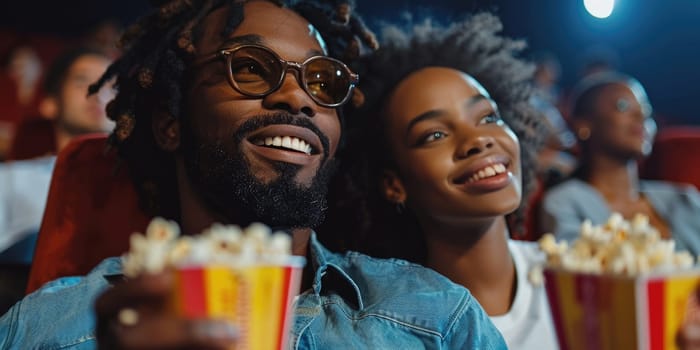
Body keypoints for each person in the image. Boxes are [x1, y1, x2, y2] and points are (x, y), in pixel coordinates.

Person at [0, 1, 506, 349]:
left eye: (323, 80)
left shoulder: (436, 318)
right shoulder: (48, 328)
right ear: (171, 124)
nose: (297, 97)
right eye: (250, 69)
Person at [320, 14, 557, 349]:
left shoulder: (580, 278)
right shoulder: (383, 330)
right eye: (435, 134)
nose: (478, 139)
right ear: (393, 184)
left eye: (488, 117)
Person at [0, 47, 113, 314]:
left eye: (112, 85)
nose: (100, 93)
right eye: (82, 81)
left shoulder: (140, 187)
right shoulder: (11, 178)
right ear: (49, 104)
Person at [539, 72, 700, 255]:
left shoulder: (685, 199)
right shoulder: (566, 201)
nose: (641, 115)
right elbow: (578, 271)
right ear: (583, 125)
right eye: (623, 106)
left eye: (646, 109)